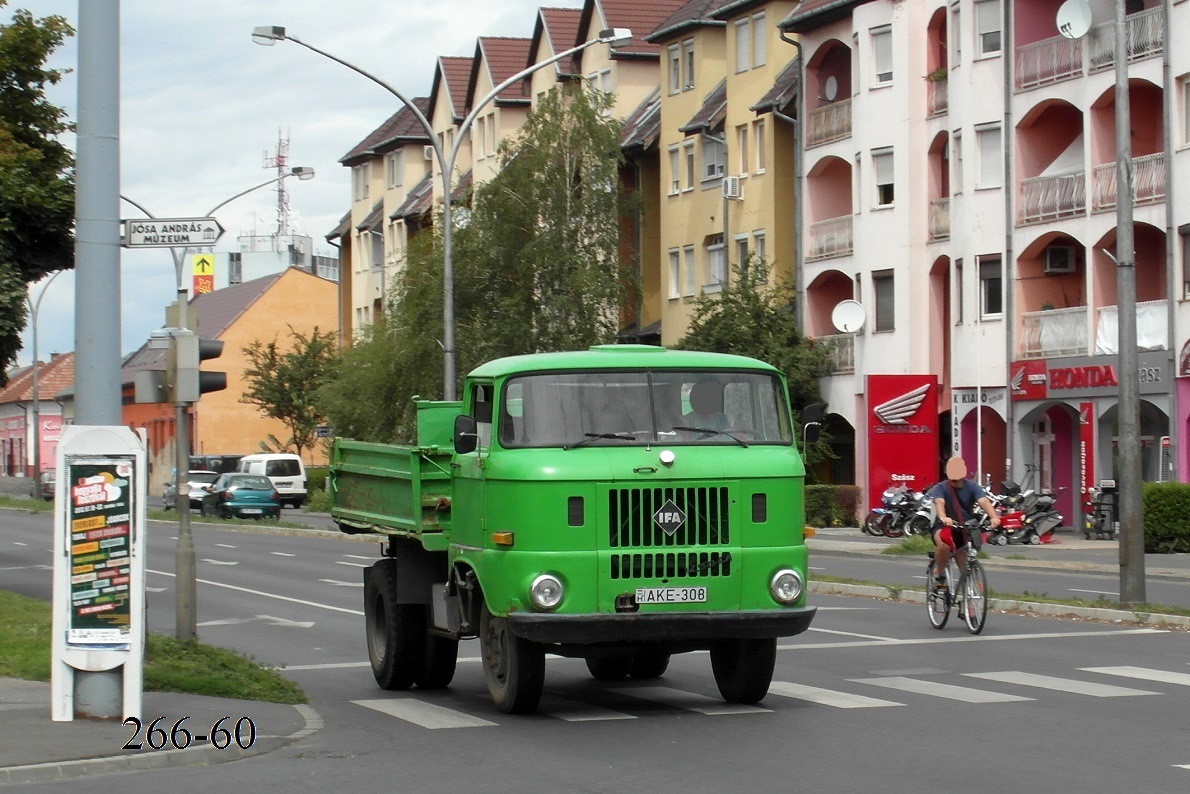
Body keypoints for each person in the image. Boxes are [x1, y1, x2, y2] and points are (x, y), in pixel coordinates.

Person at [928, 456, 1000, 591]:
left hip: (964, 528)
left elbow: (983, 501)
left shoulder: (973, 487)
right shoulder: (941, 488)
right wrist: (943, 517)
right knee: (943, 544)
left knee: (965, 566)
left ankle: (969, 605)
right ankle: (940, 575)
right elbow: (939, 503)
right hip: (945, 526)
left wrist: (993, 517)